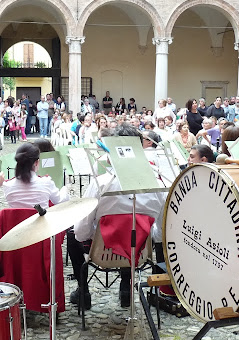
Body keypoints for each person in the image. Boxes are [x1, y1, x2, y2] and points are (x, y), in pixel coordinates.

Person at [71, 124, 167, 308]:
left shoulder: (101, 184)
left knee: (72, 235)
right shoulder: (157, 184)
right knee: (132, 229)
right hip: (140, 253)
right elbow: (160, 233)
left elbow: (81, 232)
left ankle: (82, 291)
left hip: (103, 251)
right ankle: (126, 285)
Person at [2, 142, 69, 209]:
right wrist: (65, 187)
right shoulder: (46, 182)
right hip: (42, 219)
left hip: (18, 219)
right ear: (36, 162)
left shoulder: (7, 185)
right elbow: (60, 201)